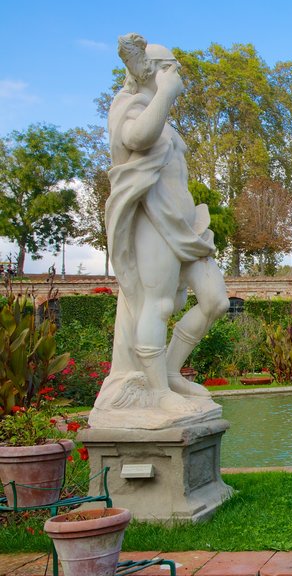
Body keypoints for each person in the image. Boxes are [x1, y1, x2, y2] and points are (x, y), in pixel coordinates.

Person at [94, 33, 227, 424]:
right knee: (159, 305)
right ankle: (157, 392)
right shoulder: (131, 105)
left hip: (185, 227)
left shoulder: (165, 121)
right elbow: (135, 138)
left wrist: (164, 96)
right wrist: (165, 93)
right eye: (170, 68)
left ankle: (168, 372)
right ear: (151, 71)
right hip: (153, 224)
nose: (177, 74)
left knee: (215, 301)